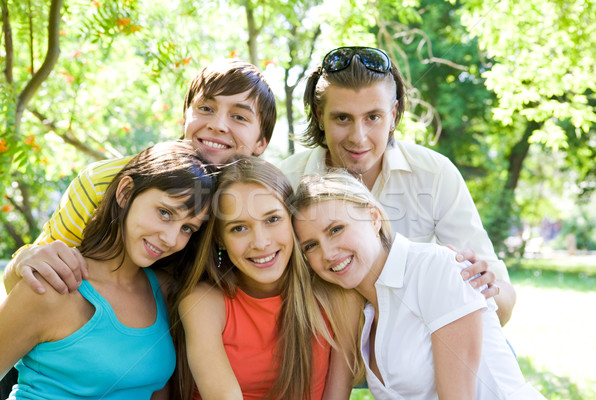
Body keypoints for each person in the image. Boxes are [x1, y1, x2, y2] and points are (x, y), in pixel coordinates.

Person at [277, 46, 517, 326]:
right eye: (342, 118)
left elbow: (503, 305)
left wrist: (483, 291)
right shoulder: (287, 180)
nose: (359, 137)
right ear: (319, 115)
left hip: (419, 347)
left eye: (373, 117)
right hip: (324, 344)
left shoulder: (435, 174)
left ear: (393, 114)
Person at [3, 59, 276, 295]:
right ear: (185, 116)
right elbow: (25, 282)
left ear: (261, 143)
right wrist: (24, 262)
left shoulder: (266, 203)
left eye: (239, 117)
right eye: (206, 108)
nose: (217, 125)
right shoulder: (105, 181)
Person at [291, 172, 545, 400]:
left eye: (336, 229)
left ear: (373, 217)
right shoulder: (359, 309)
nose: (328, 252)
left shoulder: (435, 268)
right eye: (311, 246)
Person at [0, 141, 217, 399]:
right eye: (165, 213)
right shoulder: (51, 285)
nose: (171, 239)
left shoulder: (166, 291)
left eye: (187, 228)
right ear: (125, 192)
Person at [172, 157, 359, 400]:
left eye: (272, 219)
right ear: (220, 239)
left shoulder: (335, 295)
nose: (260, 242)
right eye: (238, 228)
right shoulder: (203, 303)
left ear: (292, 222)